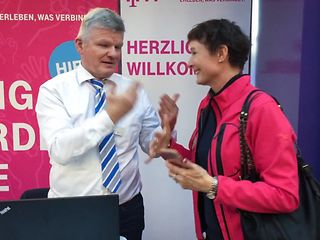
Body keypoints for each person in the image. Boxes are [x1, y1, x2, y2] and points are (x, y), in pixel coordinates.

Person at [149, 19, 299, 240]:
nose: (189, 62)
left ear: (221, 53)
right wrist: (168, 146)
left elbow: (285, 195)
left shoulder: (262, 109)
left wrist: (214, 187)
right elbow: (203, 168)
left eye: (194, 52)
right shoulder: (207, 106)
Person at [36, 8, 161, 240]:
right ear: (80, 45)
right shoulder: (54, 91)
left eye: (118, 46)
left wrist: (163, 139)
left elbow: (150, 142)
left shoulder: (133, 90)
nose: (113, 54)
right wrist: (108, 118)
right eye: (104, 45)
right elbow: (61, 150)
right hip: (72, 212)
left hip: (127, 210)